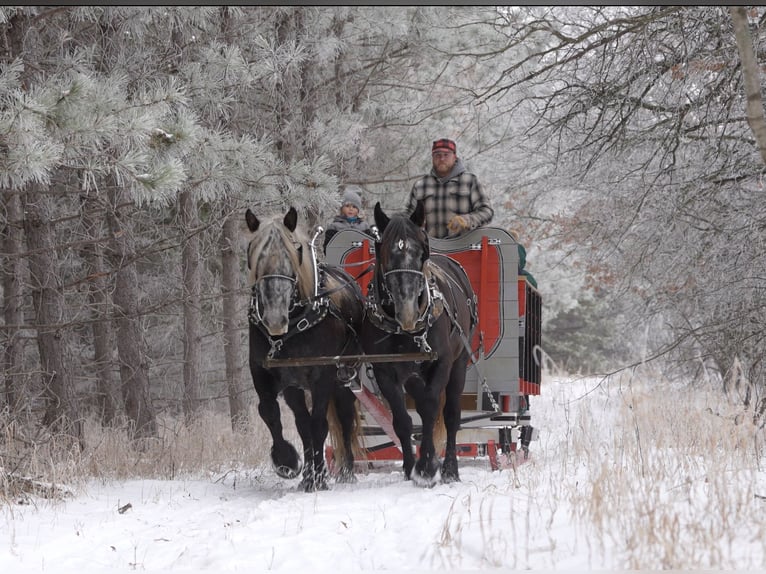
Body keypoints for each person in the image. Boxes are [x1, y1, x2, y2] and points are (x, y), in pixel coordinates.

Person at [405, 138, 494, 239]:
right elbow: (408, 218)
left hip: (463, 248)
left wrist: (466, 220)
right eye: (437, 155)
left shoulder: (470, 181)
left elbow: (487, 212)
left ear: (455, 157)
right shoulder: (420, 186)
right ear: (432, 158)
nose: (442, 159)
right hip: (430, 249)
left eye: (446, 155)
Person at [323, 186, 372, 253]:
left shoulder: (364, 226)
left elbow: (371, 246)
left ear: (358, 210)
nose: (351, 209)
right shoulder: (334, 227)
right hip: (339, 261)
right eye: (347, 206)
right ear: (342, 208)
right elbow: (327, 248)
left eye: (354, 207)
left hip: (361, 261)